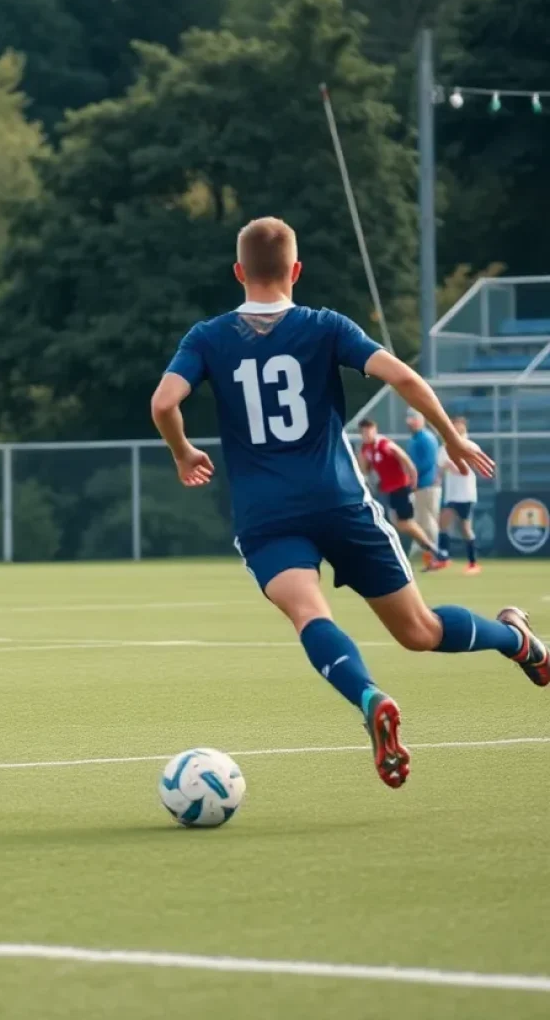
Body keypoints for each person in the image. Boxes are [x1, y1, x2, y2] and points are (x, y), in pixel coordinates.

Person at [151, 217, 548, 790]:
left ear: (239, 272)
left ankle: (368, 696)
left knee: (311, 615)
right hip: (340, 503)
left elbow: (165, 402)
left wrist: (184, 452)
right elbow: (403, 377)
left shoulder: (207, 337)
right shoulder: (325, 326)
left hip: (268, 515)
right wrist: (451, 436)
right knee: (419, 630)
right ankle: (520, 643)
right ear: (296, 271)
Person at [357, 419, 447, 570]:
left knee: (403, 522)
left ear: (375, 429)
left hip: (400, 487)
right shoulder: (366, 448)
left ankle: (432, 549)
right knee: (397, 523)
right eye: (364, 432)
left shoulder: (385, 444)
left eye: (369, 430)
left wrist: (413, 479)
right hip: (389, 490)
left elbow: (406, 460)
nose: (367, 434)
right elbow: (365, 470)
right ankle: (430, 549)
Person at [438, 416, 481, 574]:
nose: (456, 428)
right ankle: (444, 558)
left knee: (465, 528)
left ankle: (473, 563)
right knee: (443, 523)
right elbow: (441, 468)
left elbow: (466, 469)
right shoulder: (445, 446)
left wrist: (453, 465)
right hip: (451, 494)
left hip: (466, 494)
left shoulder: (470, 446)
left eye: (459, 426)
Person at [405, 409, 442, 564]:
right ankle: (427, 556)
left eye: (413, 418)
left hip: (427, 486)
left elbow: (425, 464)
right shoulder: (415, 439)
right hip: (419, 486)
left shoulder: (426, 438)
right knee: (421, 521)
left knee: (429, 522)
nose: (409, 422)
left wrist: (412, 476)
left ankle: (435, 556)